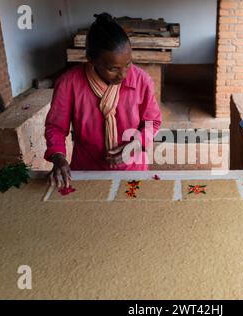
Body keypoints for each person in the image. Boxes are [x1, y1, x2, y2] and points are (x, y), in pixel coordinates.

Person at [45, 13, 162, 188]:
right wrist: (58, 157)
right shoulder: (69, 84)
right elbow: (56, 127)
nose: (123, 74)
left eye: (128, 64)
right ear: (91, 60)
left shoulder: (141, 80)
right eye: (113, 68)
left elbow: (152, 122)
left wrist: (137, 143)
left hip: (132, 167)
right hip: (87, 169)